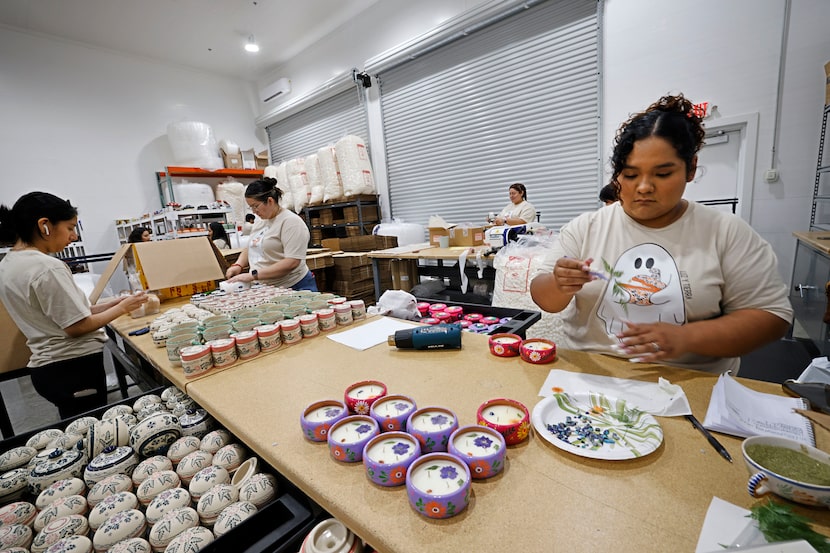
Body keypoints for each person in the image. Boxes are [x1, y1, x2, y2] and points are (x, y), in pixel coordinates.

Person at [529, 94, 793, 375]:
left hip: (690, 381)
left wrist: (688, 337)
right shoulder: (586, 228)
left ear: (690, 168)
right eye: (630, 175)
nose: (643, 187)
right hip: (593, 375)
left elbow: (771, 316)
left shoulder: (725, 232)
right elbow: (544, 299)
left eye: (663, 174)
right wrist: (559, 283)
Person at [0, 192, 148, 418]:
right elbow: (76, 326)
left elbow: (66, 314)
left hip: (50, 368)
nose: (74, 236)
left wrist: (116, 302)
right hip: (72, 368)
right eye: (69, 228)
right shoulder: (46, 267)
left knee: (77, 426)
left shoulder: (10, 263)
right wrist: (122, 309)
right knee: (91, 430)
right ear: (44, 225)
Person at [225, 177, 318, 291]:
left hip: (293, 286)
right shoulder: (261, 220)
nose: (254, 211)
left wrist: (253, 275)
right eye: (251, 207)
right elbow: (252, 245)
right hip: (267, 288)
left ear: (270, 201)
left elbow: (292, 262)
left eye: (256, 206)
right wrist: (238, 265)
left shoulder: (291, 223)